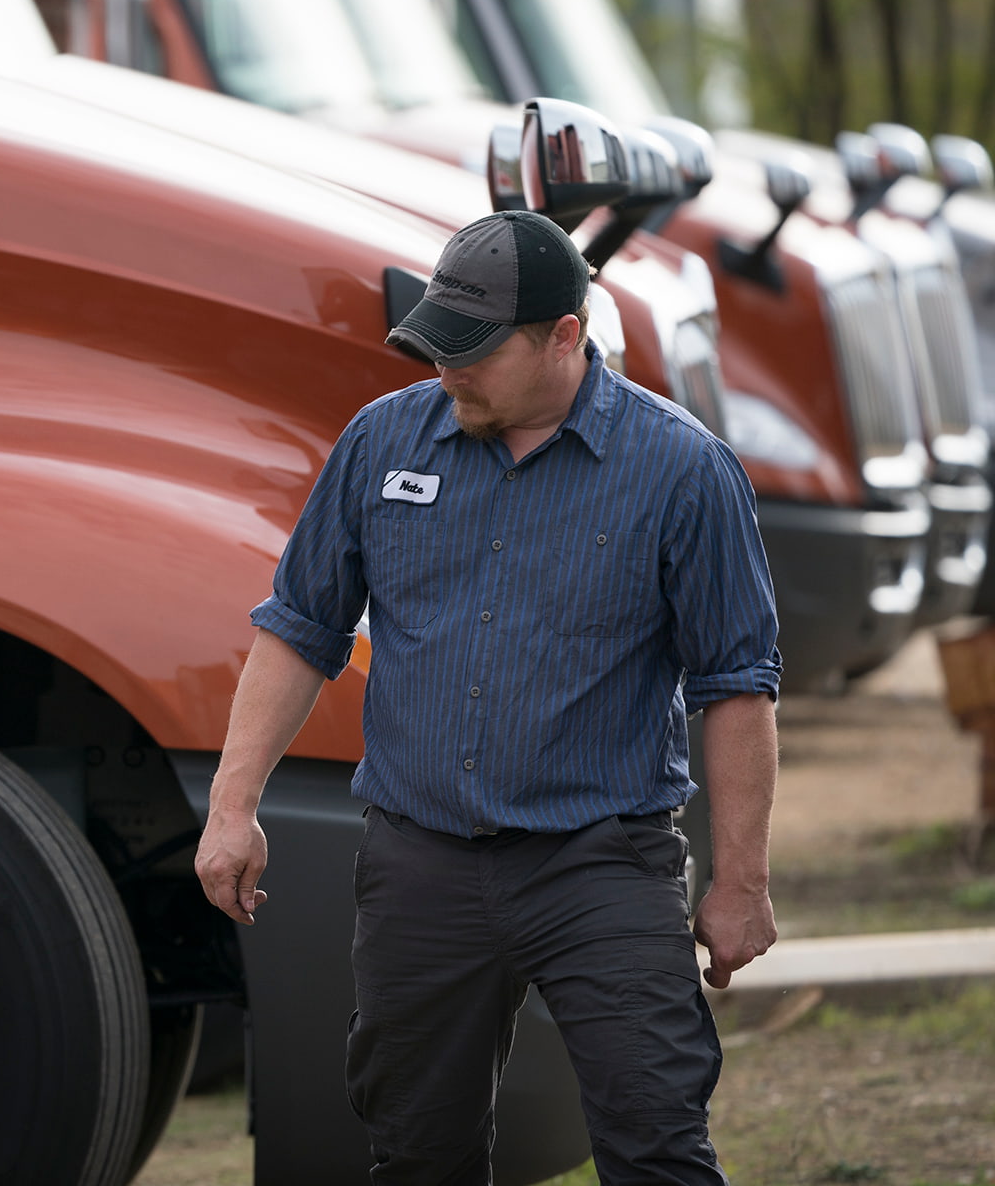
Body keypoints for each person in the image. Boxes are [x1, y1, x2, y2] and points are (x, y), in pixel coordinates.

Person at [194, 210, 780, 1184]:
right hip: (420, 863)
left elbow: (737, 688)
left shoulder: (683, 471)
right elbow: (300, 626)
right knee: (417, 1150)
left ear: (565, 334)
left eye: (473, 351)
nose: (447, 370)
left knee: (657, 1139)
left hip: (603, 861)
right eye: (436, 346)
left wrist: (742, 878)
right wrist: (232, 805)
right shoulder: (383, 444)